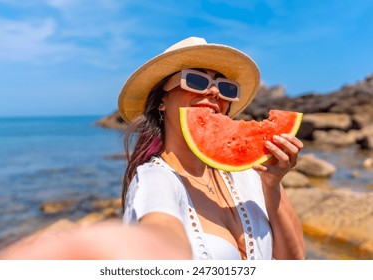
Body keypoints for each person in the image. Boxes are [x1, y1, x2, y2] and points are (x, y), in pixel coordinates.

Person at [119, 37, 305, 260]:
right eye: (196, 81)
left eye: (226, 87)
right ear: (162, 100)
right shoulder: (155, 178)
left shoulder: (251, 174)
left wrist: (272, 185)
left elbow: (294, 261)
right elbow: (160, 232)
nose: (215, 92)